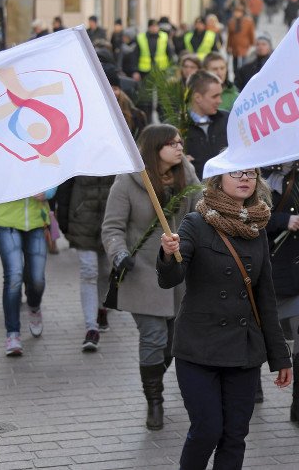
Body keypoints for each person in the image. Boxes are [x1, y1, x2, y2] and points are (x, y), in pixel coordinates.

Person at [158, 168, 292, 468]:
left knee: (234, 435)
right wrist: (169, 254)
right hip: (198, 348)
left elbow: (265, 298)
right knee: (207, 430)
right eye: (235, 173)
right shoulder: (196, 222)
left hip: (243, 351)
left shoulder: (257, 227)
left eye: (250, 174)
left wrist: (280, 357)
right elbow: (172, 278)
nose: (245, 179)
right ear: (217, 179)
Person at [101, 124, 201, 430]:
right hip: (142, 272)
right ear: (154, 148)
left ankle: (154, 379)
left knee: (173, 340)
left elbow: (201, 211)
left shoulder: (186, 173)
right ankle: (154, 402)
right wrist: (119, 254)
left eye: (180, 142)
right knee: (154, 337)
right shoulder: (128, 181)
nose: (179, 147)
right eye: (171, 143)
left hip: (180, 271)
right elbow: (112, 227)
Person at [262, 160, 299, 426]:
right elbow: (241, 215)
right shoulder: (254, 173)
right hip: (264, 271)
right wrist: (282, 220)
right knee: (257, 333)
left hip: (298, 271)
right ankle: (252, 386)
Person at [56, 173, 115, 351]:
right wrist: (64, 221)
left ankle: (101, 308)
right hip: (82, 220)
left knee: (106, 270)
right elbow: (65, 188)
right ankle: (91, 327)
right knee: (89, 272)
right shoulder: (77, 151)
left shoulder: (113, 150)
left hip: (109, 220)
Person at [0, 189, 56, 356]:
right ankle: (13, 334)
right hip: (5, 219)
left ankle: (34, 307)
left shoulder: (42, 159)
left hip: (37, 219)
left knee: (37, 280)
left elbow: (54, 166)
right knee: (13, 276)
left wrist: (49, 192)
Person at [184, 70, 229, 180]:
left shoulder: (227, 119)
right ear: (197, 97)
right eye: (215, 96)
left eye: (220, 95)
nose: (220, 101)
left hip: (227, 191)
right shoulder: (176, 126)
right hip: (195, 193)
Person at [226, 4, 257, 76]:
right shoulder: (231, 22)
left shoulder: (248, 22)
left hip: (244, 45)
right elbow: (230, 36)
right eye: (235, 12)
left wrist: (252, 43)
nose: (236, 14)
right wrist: (228, 46)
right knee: (235, 62)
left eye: (238, 12)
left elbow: (251, 33)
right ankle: (236, 75)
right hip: (235, 46)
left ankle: (243, 75)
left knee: (244, 61)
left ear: (242, 13)